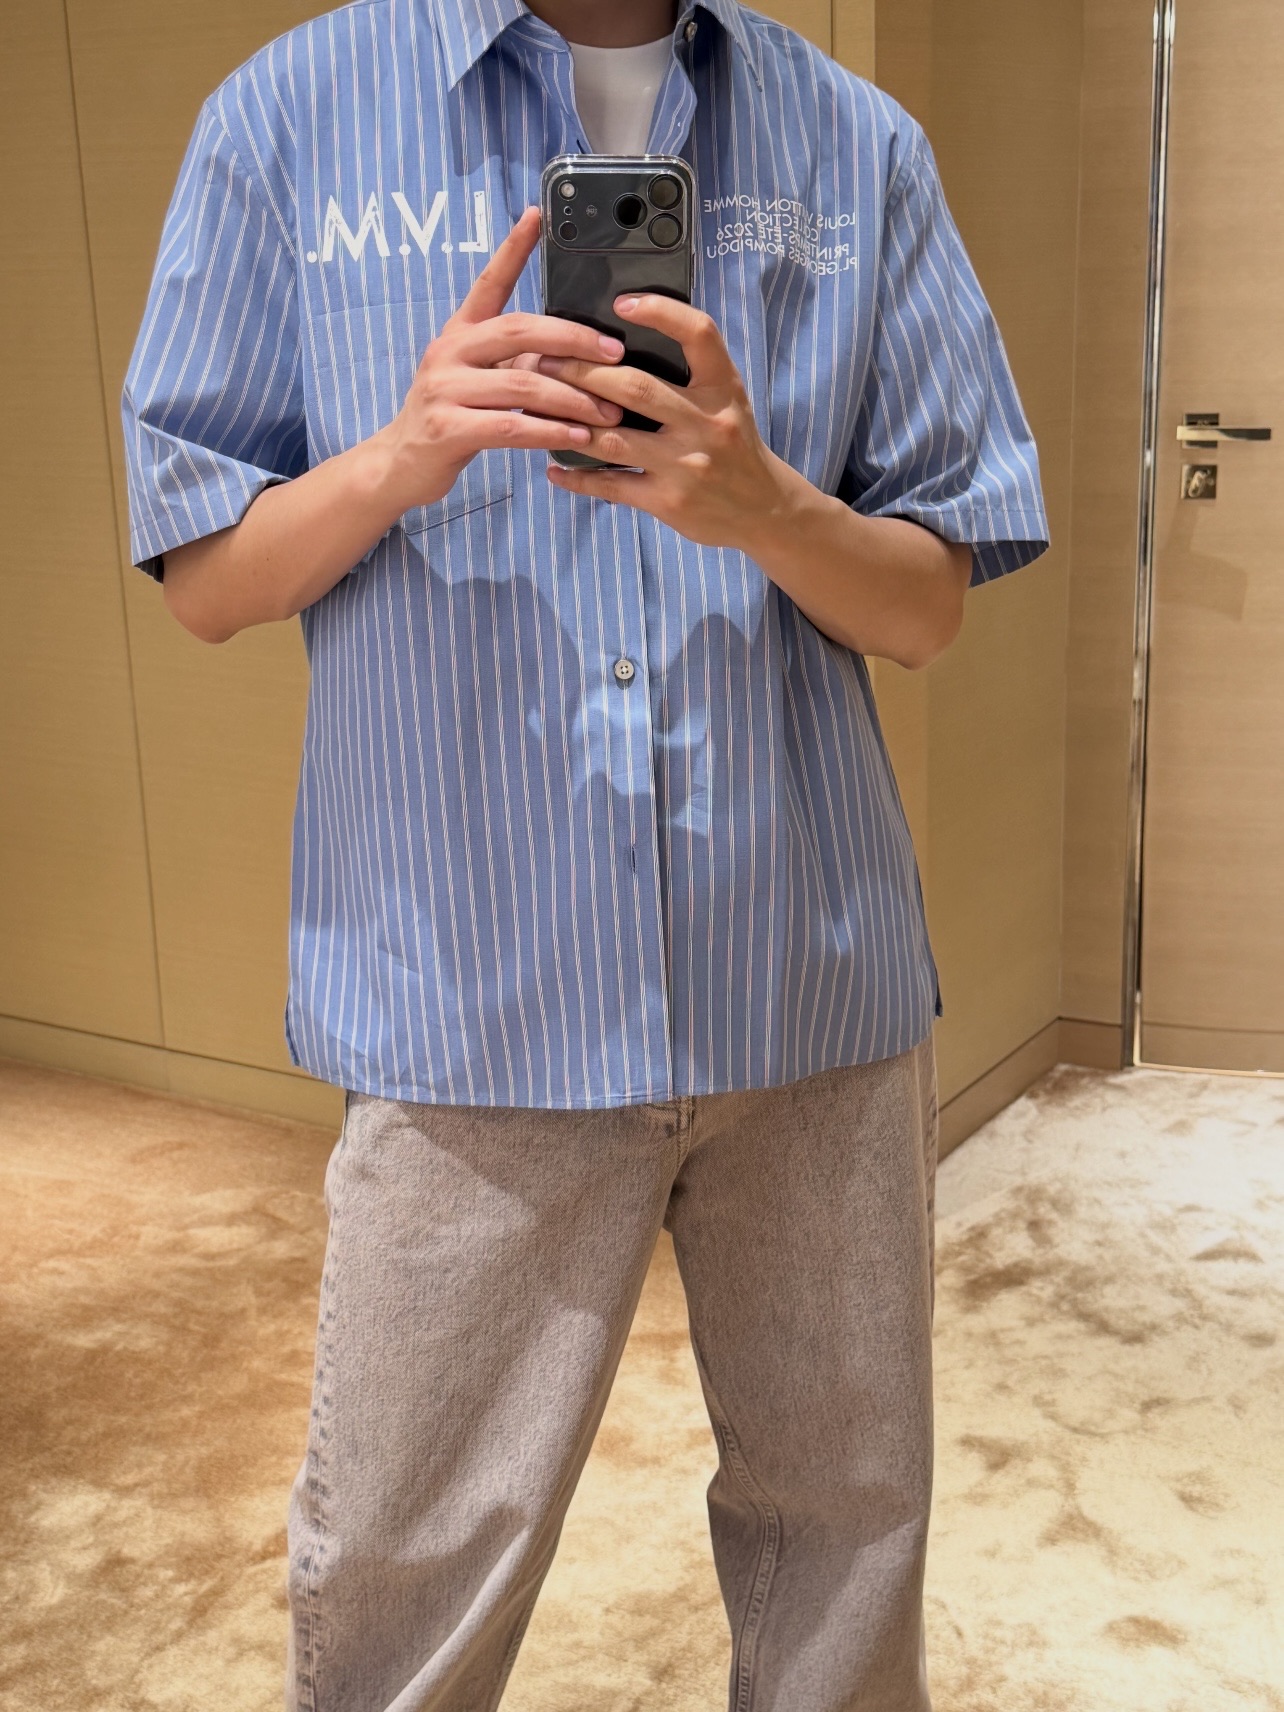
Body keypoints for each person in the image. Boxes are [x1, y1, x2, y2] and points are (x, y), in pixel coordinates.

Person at [123, 2, 1049, 1707]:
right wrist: (404, 453)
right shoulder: (291, 116)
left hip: (804, 982)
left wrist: (762, 503)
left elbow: (928, 606)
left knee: (847, 1532)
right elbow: (205, 580)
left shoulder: (857, 144)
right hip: (470, 1003)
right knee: (402, 1572)